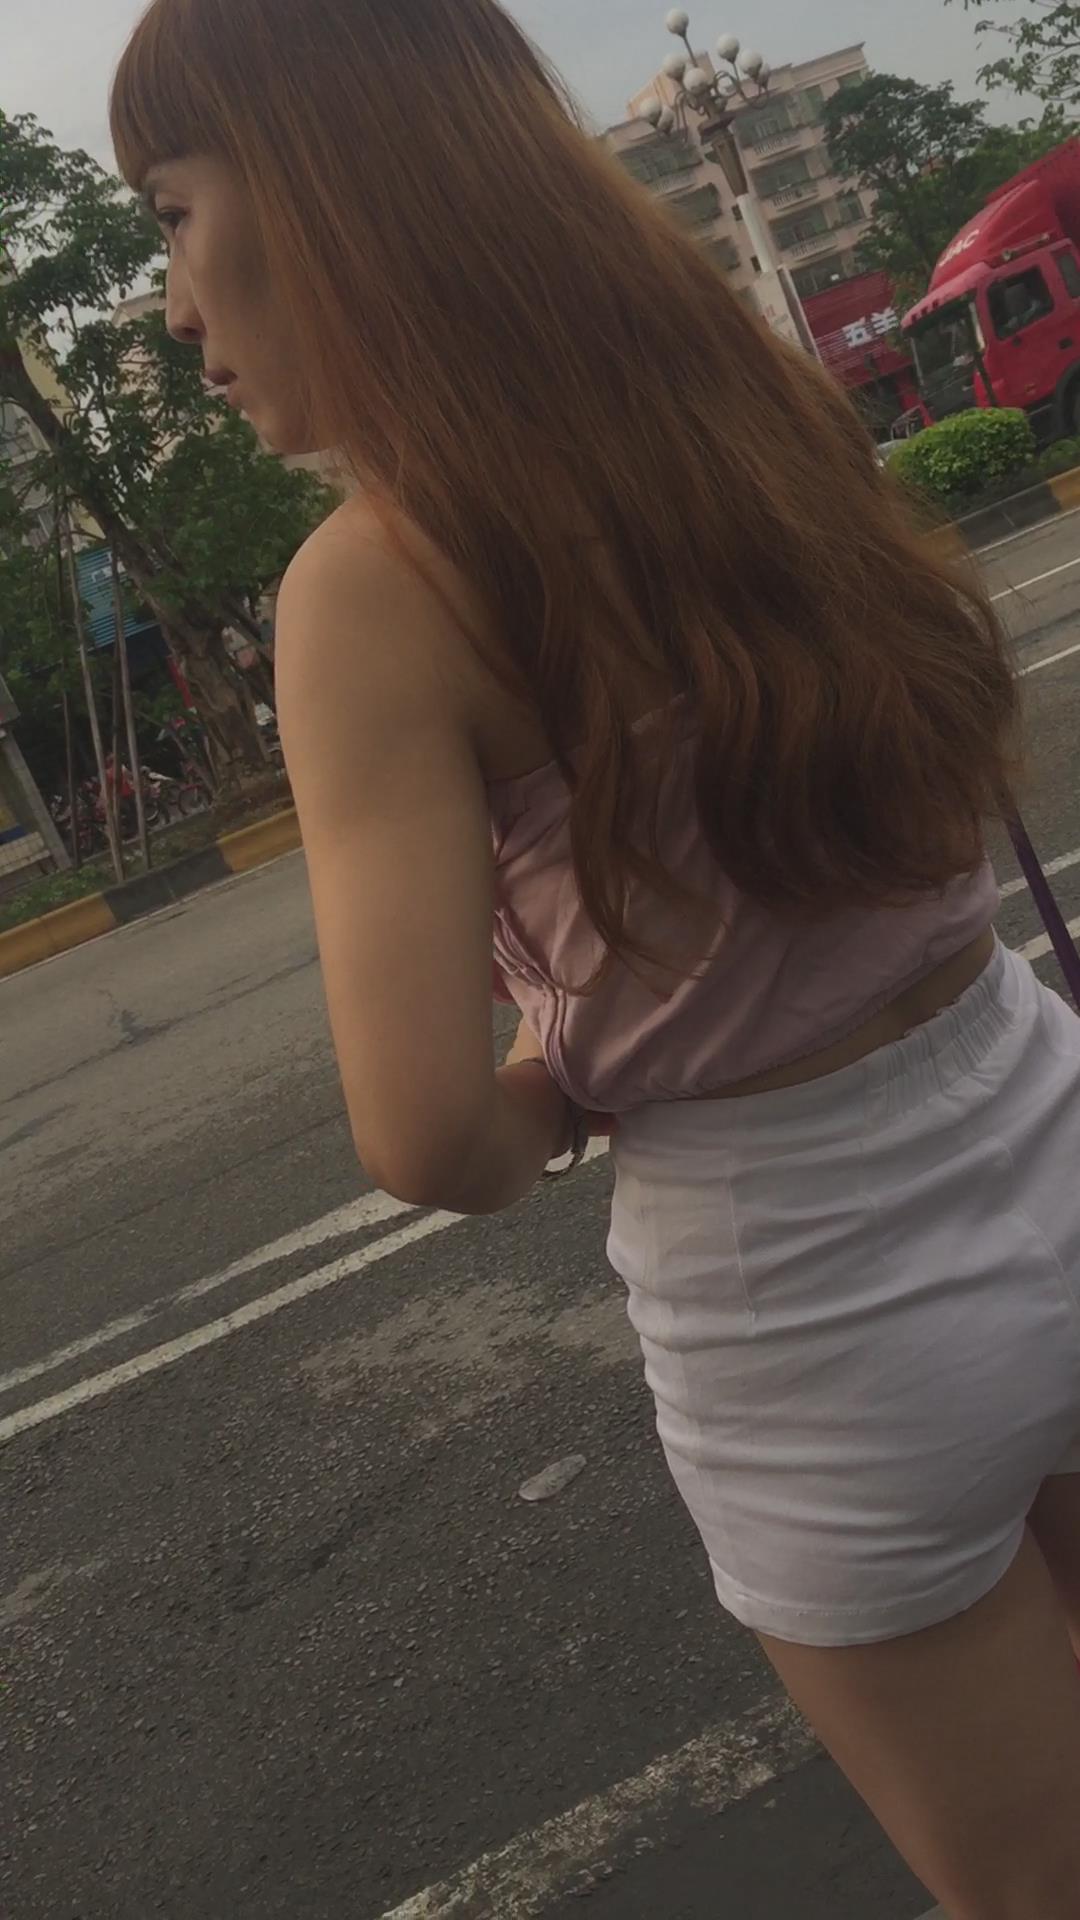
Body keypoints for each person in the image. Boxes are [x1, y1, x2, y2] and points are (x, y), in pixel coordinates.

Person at [110, 3, 1080, 1912]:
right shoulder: (754, 407)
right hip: (1038, 1113)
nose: (169, 304)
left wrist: (553, 1090)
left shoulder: (374, 586)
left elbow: (424, 1136)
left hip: (816, 1313)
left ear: (319, 196)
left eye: (169, 215)